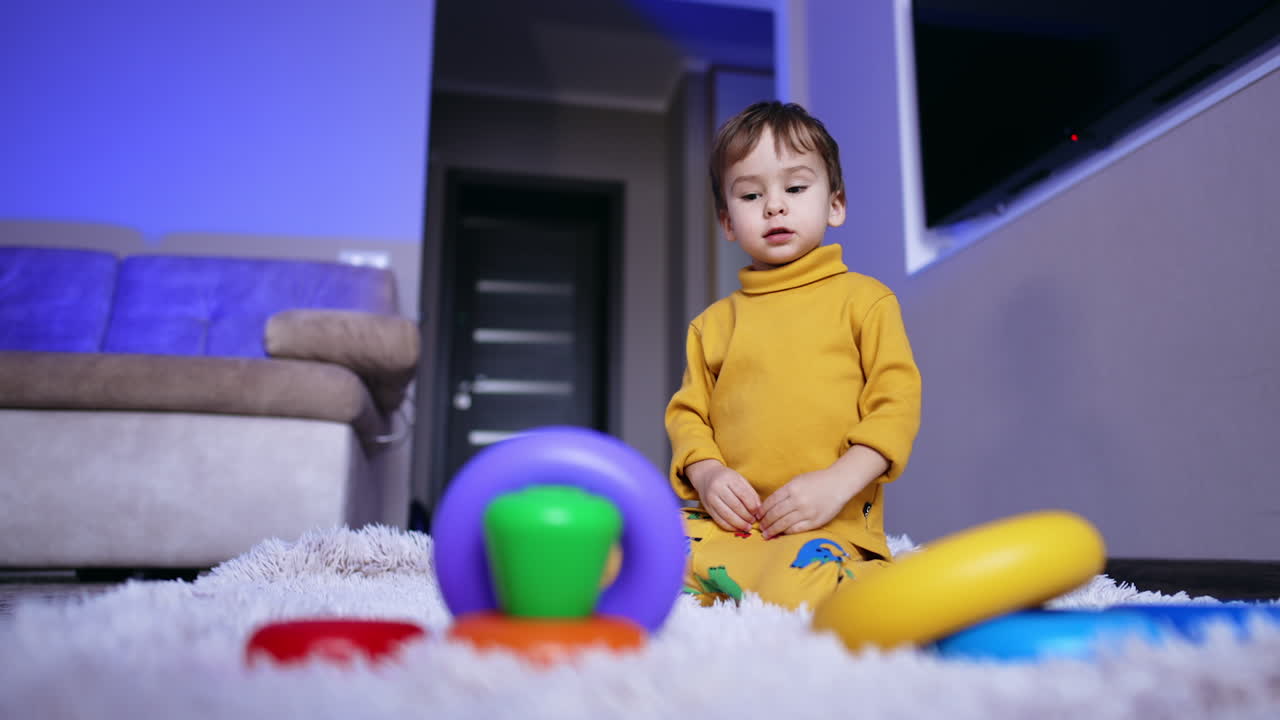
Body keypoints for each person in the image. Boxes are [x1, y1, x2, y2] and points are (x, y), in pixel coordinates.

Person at [666, 101, 922, 610]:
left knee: (801, 580)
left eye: (796, 188)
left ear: (835, 205)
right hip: (731, 526)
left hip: (826, 526)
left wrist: (836, 484)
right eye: (751, 194)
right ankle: (727, 578)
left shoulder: (865, 301)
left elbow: (895, 406)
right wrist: (709, 474)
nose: (774, 206)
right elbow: (688, 415)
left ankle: (842, 584)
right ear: (727, 221)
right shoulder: (712, 325)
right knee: (634, 544)